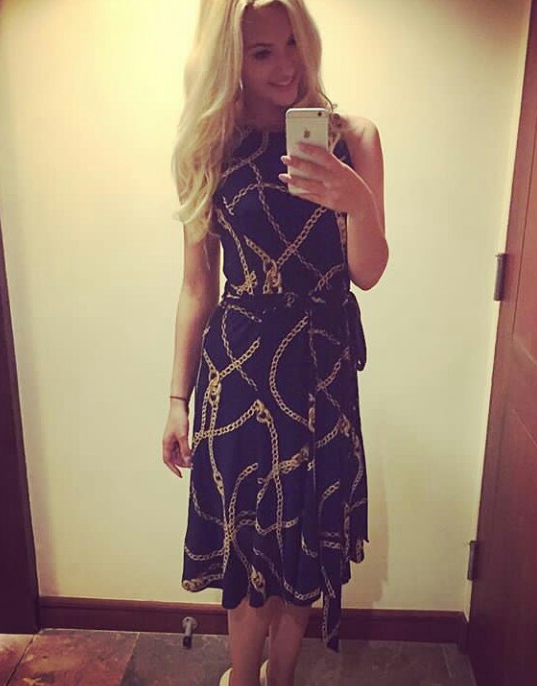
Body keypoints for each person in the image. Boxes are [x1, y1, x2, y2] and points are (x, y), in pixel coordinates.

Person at [161, 1, 387, 684]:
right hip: (239, 371)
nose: (286, 65)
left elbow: (368, 272)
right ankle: (242, 677)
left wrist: (355, 200)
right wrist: (176, 399)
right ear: (231, 59)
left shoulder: (355, 137)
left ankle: (279, 678)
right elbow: (197, 285)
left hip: (321, 369)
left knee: (303, 545)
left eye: (292, 43)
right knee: (248, 544)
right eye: (262, 52)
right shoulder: (208, 148)